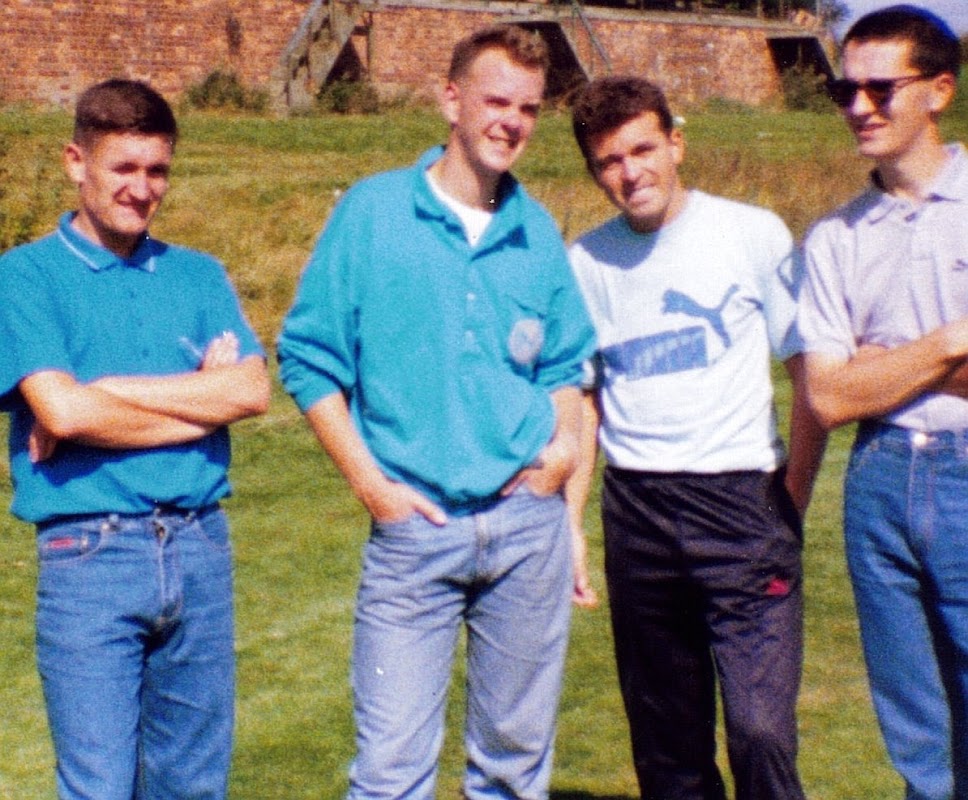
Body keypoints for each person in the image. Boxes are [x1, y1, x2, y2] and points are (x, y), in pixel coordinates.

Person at [276, 24, 597, 800]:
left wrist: (561, 461)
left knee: (514, 772)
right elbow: (310, 360)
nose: (511, 122)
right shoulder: (374, 212)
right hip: (414, 532)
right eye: (496, 101)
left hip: (526, 530)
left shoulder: (536, 230)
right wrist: (372, 488)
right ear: (451, 100)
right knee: (390, 775)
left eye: (528, 108)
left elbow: (565, 370)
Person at [0, 79, 270, 799]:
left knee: (192, 786)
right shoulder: (24, 276)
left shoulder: (198, 274)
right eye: (123, 167)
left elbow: (252, 391)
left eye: (157, 170)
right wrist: (202, 403)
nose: (142, 189)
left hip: (198, 544)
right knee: (99, 785)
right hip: (90, 553)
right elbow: (62, 414)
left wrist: (107, 391)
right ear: (76, 162)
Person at [567, 76, 827, 800]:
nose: (630, 172)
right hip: (638, 513)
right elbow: (585, 402)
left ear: (676, 145)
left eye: (643, 150)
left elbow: (811, 376)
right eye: (609, 161)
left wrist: (791, 499)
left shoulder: (751, 233)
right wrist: (572, 523)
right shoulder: (586, 262)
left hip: (743, 503)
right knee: (667, 745)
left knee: (760, 733)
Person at [797, 6, 967, 799]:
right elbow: (829, 395)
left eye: (880, 89)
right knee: (914, 724)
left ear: (939, 91)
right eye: (845, 90)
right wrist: (947, 344)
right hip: (879, 478)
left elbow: (857, 380)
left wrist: (883, 366)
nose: (859, 107)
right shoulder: (835, 237)